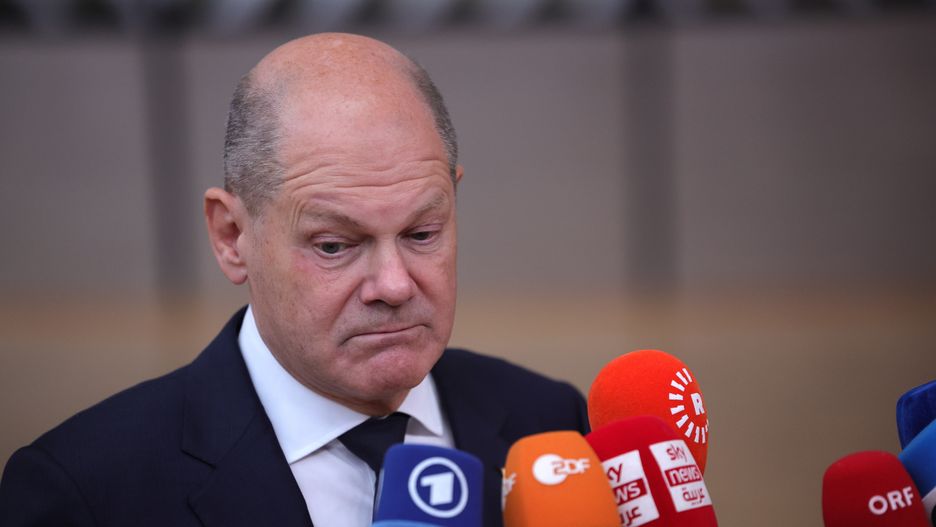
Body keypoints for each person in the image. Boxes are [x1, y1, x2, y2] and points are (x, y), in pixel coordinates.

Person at [0, 33, 588, 526]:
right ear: (232, 236)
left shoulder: (550, 425)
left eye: (422, 233)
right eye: (334, 245)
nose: (394, 285)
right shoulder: (86, 490)